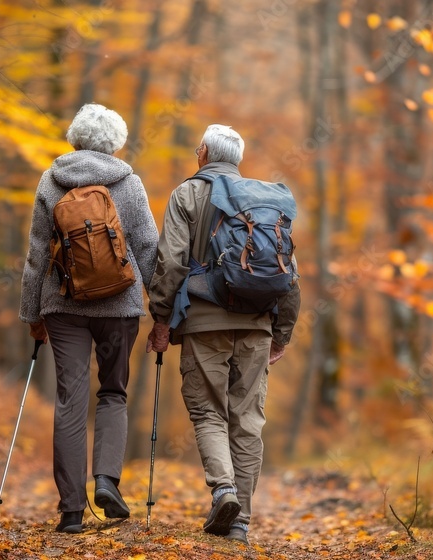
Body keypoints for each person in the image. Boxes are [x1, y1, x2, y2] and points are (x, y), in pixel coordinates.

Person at [146, 124, 300, 545]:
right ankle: (239, 524)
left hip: (203, 321)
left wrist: (161, 318)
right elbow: (289, 272)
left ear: (203, 153)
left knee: (208, 411)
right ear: (237, 158)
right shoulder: (265, 199)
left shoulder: (187, 194)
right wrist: (282, 331)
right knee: (247, 421)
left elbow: (172, 260)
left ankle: (224, 490)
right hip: (258, 324)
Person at [19, 103, 159, 534]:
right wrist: (163, 309)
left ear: (75, 138)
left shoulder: (51, 179)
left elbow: (37, 253)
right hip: (120, 306)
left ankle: (71, 511)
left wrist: (31, 313)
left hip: (62, 305)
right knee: (113, 392)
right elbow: (149, 247)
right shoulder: (128, 182)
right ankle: (106, 481)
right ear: (115, 142)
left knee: (70, 401)